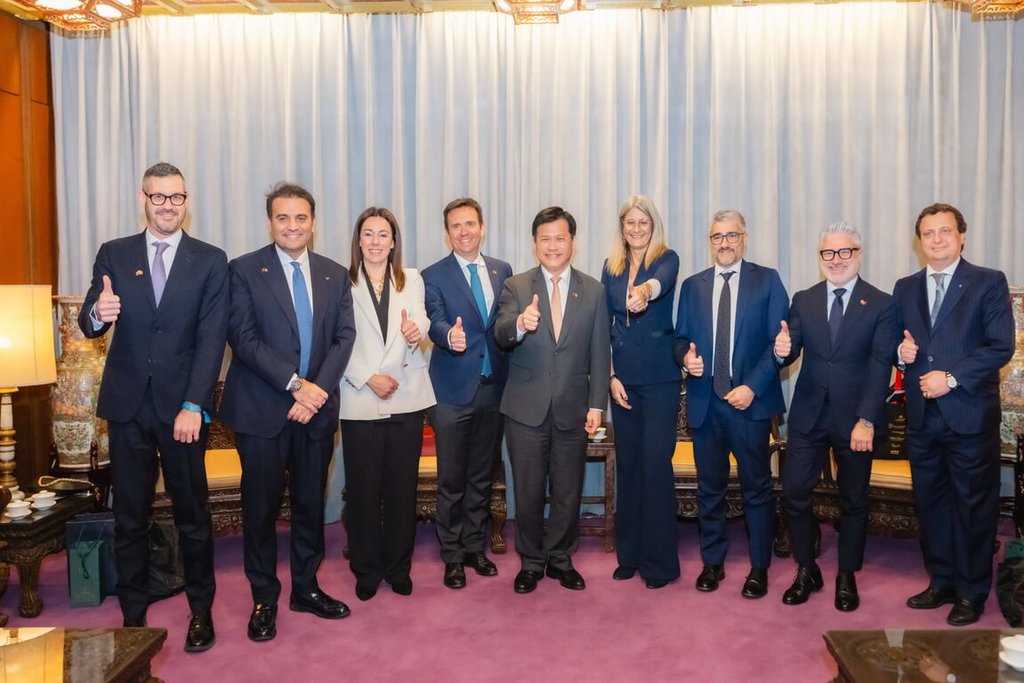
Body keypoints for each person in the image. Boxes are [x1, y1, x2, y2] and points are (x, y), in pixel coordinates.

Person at [78, 162, 227, 651]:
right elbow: (89, 322)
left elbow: (212, 340)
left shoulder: (210, 260)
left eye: (176, 197)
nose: (168, 206)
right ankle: (133, 616)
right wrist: (99, 312)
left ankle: (201, 611)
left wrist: (194, 404)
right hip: (128, 408)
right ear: (143, 198)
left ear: (187, 201)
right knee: (129, 517)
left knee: (193, 516)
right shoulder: (114, 253)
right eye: (158, 197)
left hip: (182, 409)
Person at [218, 183, 357, 642]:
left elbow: (344, 337)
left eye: (300, 218)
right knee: (259, 510)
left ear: (313, 222)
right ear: (270, 222)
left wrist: (315, 393)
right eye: (283, 218)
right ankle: (264, 598)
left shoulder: (335, 274)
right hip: (262, 412)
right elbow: (243, 338)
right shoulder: (243, 270)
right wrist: (296, 386)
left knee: (309, 505)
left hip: (316, 413)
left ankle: (306, 587)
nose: (292, 226)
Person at [893, 203, 1014, 626]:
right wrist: (901, 353)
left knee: (973, 507)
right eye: (928, 233)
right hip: (922, 419)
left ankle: (971, 591)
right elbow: (895, 343)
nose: (937, 239)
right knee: (931, 505)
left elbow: (1000, 345)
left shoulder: (987, 282)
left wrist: (952, 378)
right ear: (919, 241)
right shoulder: (905, 287)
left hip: (968, 415)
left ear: (962, 236)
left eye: (945, 231)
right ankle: (941, 581)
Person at [774, 221, 899, 611]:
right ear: (820, 257)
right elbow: (791, 349)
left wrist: (867, 419)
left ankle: (847, 575)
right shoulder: (805, 299)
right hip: (809, 415)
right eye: (828, 252)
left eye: (845, 251)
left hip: (855, 420)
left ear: (858, 254)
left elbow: (880, 364)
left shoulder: (881, 303)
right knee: (794, 492)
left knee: (853, 500)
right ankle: (806, 568)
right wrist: (781, 350)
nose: (836, 259)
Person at [672, 209, 788, 599]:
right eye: (717, 237)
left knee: (757, 489)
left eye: (732, 235)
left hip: (748, 405)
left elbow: (779, 344)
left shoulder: (767, 280)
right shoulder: (693, 286)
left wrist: (752, 387)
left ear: (744, 238)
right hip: (706, 404)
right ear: (710, 242)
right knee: (710, 490)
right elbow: (679, 339)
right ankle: (712, 563)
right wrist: (685, 359)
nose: (725, 243)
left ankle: (759, 568)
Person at [495, 206, 611, 594]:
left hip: (573, 409)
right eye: (545, 239)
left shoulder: (593, 291)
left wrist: (596, 405)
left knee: (567, 490)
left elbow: (600, 352)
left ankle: (561, 558)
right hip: (525, 410)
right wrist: (520, 324)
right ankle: (530, 562)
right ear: (534, 243)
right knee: (527, 490)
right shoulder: (516, 286)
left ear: (572, 242)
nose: (553, 245)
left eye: (560, 238)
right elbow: (501, 333)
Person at [339, 207, 436, 601]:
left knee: (401, 490)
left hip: (405, 395)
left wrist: (416, 331)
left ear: (394, 241)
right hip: (359, 396)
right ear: (358, 240)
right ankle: (366, 570)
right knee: (362, 491)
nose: (376, 241)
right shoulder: (341, 282)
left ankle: (398, 568)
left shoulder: (411, 278)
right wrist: (367, 376)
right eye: (369, 234)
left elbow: (423, 321)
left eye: (383, 234)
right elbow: (336, 340)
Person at [422, 198, 513, 590]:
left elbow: (505, 323)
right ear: (447, 233)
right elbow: (434, 320)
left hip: (494, 389)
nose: (464, 231)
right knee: (452, 480)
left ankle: (476, 547)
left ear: (482, 227)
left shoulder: (502, 270)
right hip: (451, 392)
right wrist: (448, 335)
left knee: (481, 476)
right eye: (456, 225)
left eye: (470, 224)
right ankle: (453, 555)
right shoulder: (433, 275)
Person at [601, 195, 681, 589]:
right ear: (622, 227)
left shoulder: (667, 258)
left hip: (661, 380)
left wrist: (645, 291)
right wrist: (610, 376)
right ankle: (629, 556)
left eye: (643, 222)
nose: (636, 229)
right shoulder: (610, 267)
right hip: (624, 382)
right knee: (629, 467)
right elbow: (605, 325)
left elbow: (658, 284)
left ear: (653, 226)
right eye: (630, 222)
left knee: (655, 467)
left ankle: (659, 563)